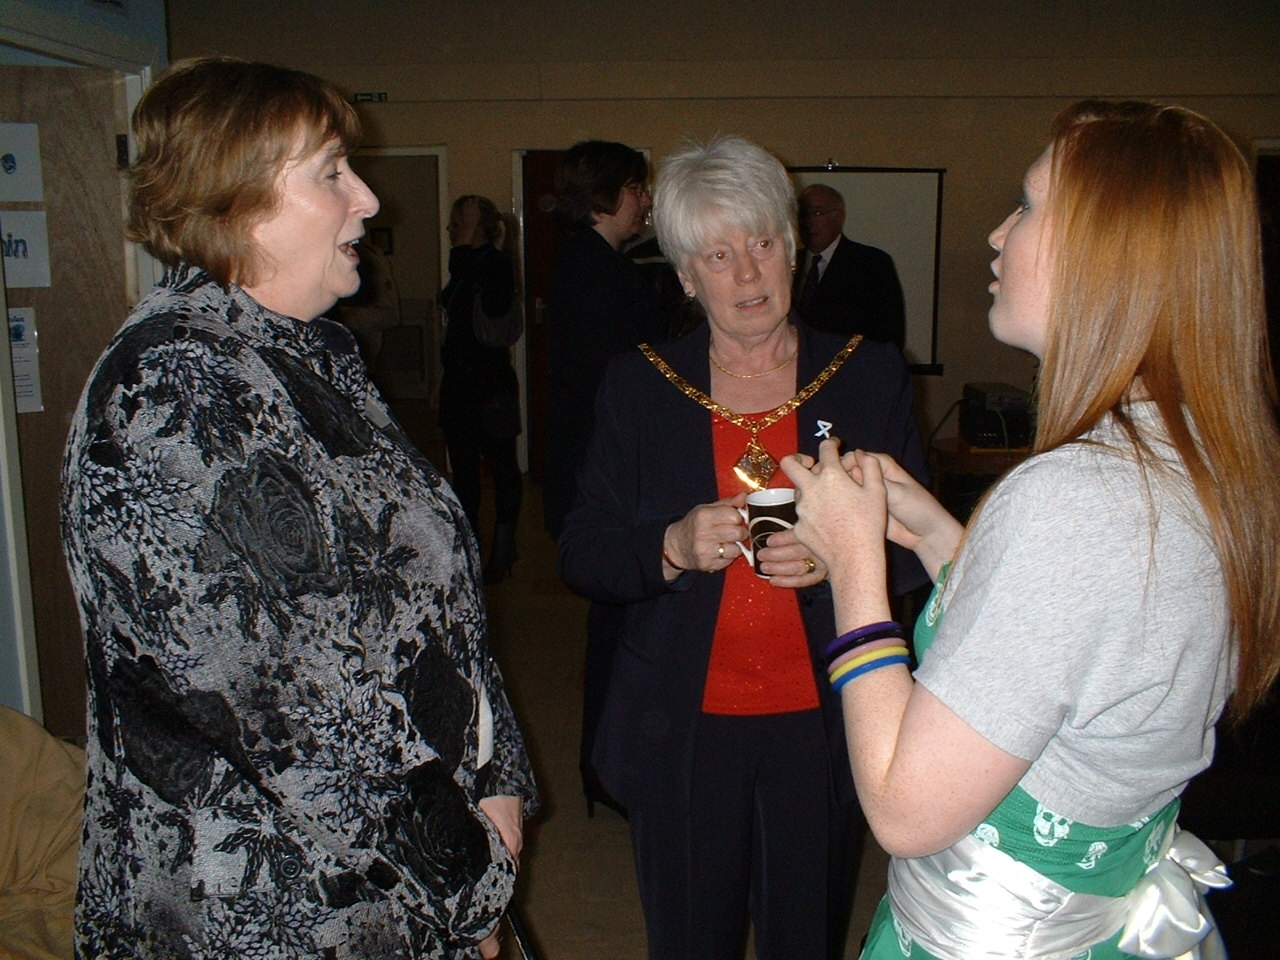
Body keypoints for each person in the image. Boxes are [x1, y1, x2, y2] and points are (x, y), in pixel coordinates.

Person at [60, 57, 536, 960]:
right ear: (236, 198)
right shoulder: (174, 390)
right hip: (268, 908)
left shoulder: (306, 353)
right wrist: (473, 883)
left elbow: (437, 600)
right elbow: (296, 706)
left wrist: (498, 770)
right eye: (330, 173)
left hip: (404, 868)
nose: (368, 199)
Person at [783, 99, 1280, 960]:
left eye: (1030, 206)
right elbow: (1079, 643)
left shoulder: (1071, 500)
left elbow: (905, 808)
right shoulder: (1207, 451)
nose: (998, 234)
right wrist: (938, 534)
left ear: (1107, 256)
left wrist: (854, 561)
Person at [558, 135, 928, 960]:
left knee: (806, 938)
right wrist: (671, 545)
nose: (749, 274)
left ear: (792, 248)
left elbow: (919, 548)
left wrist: (844, 563)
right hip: (681, 728)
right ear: (686, 276)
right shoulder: (641, 384)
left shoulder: (865, 375)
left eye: (762, 243)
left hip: (824, 718)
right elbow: (582, 549)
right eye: (718, 256)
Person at [542, 139, 669, 818]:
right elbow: (618, 388)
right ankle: (605, 768)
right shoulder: (595, 273)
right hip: (606, 484)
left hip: (600, 475)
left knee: (618, 629)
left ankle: (607, 767)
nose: (646, 200)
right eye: (639, 187)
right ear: (613, 192)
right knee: (615, 634)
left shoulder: (592, 264)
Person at [437, 194, 523, 584]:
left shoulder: (493, 264)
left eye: (462, 221)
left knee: (502, 467)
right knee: (465, 472)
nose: (454, 229)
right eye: (455, 221)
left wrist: (472, 242)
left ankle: (504, 546)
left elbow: (493, 301)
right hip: (459, 384)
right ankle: (468, 548)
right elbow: (454, 331)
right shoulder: (464, 266)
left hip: (490, 388)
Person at [794, 183, 907, 350]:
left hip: (849, 369)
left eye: (817, 213)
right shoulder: (787, 262)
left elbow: (888, 334)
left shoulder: (871, 264)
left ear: (838, 216)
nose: (809, 222)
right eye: (803, 214)